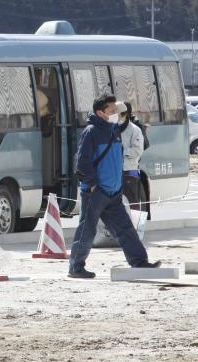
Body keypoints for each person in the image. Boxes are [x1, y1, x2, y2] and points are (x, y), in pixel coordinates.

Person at [68, 94, 159, 279]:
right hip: (96, 192)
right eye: (112, 111)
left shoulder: (114, 130)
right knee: (87, 229)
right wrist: (92, 185)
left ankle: (139, 262)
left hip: (113, 191)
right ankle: (76, 267)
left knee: (125, 228)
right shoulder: (91, 132)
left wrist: (117, 186)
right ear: (100, 112)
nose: (116, 114)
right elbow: (82, 163)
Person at [118, 102, 146, 214]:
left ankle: (136, 229)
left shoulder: (135, 130)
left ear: (123, 114)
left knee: (132, 204)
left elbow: (138, 150)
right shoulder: (112, 128)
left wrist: (120, 152)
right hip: (114, 173)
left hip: (129, 171)